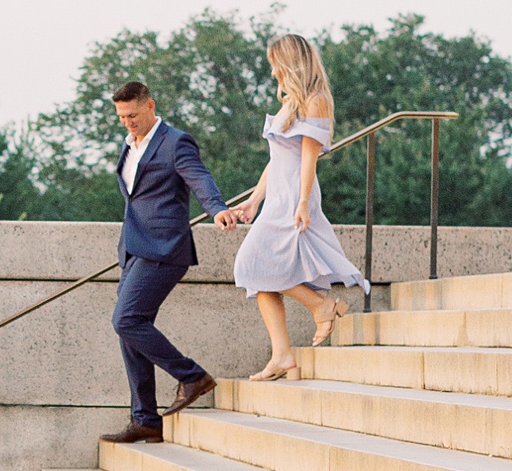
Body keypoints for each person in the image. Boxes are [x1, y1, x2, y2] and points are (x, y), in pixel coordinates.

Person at [215, 31, 368, 380]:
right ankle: (282, 356)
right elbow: (276, 160)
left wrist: (302, 203)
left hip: (295, 196)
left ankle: (322, 304)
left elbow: (308, 160)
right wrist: (253, 201)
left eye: (275, 65)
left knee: (252, 264)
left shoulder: (315, 100)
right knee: (257, 275)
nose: (272, 74)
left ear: (289, 63)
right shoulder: (290, 103)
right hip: (277, 198)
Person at [104, 78, 229, 444]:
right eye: (122, 116)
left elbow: (199, 178)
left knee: (126, 320)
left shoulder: (175, 142)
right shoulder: (130, 145)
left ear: (150, 106)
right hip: (132, 249)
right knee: (132, 331)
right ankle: (145, 419)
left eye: (133, 114)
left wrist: (217, 209)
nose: (128, 122)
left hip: (164, 246)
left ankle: (192, 376)